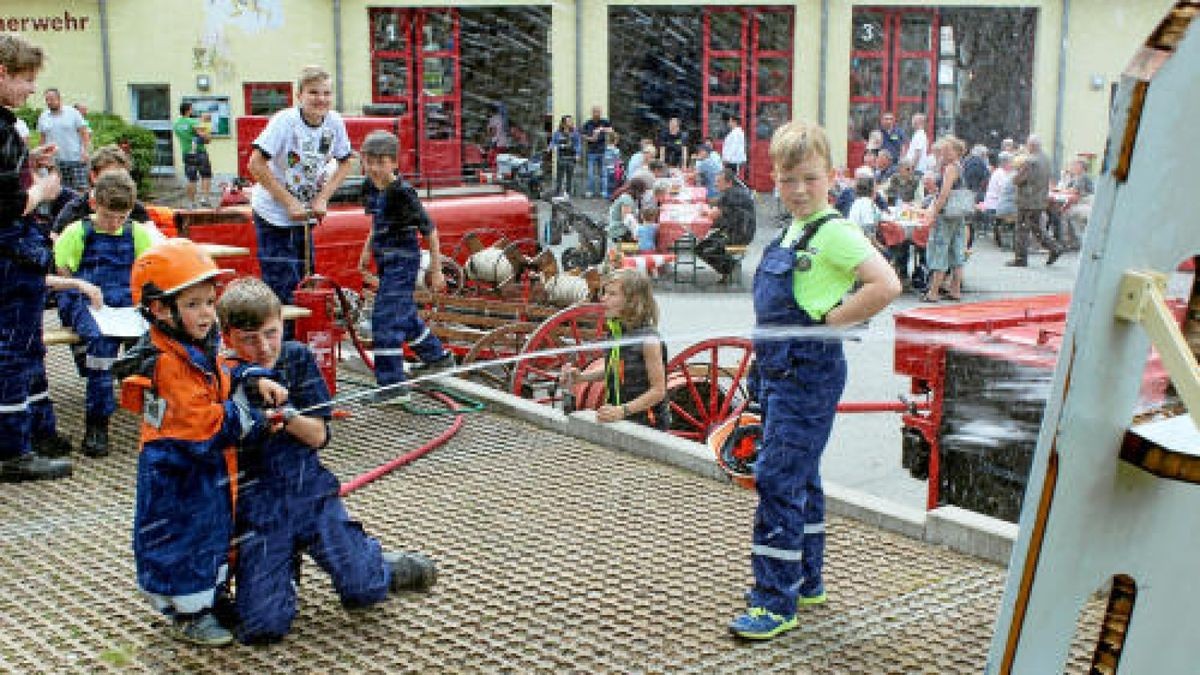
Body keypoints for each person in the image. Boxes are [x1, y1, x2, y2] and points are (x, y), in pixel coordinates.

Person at [729, 119, 900, 641]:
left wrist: (832, 322)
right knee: (802, 476)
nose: (799, 190)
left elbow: (886, 284)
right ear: (774, 181)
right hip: (783, 372)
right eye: (787, 180)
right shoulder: (793, 232)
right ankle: (805, 578)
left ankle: (775, 602)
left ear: (831, 176)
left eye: (809, 178)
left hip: (808, 375)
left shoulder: (835, 232)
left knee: (777, 480)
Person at [216, 277, 436, 643]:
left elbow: (318, 435)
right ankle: (279, 568)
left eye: (271, 333)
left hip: (310, 494)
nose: (264, 347)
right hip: (258, 508)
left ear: (282, 323)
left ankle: (377, 564)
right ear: (227, 336)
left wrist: (285, 416)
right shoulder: (221, 375)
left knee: (364, 593)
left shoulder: (297, 358)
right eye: (249, 339)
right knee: (262, 628)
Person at [122, 239, 284, 646]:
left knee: (210, 533)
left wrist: (250, 379)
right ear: (160, 309)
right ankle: (189, 613)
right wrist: (251, 418)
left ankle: (205, 600)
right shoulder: (167, 363)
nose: (207, 314)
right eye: (193, 304)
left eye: (209, 302)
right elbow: (203, 424)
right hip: (179, 473)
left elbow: (221, 378)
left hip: (201, 470)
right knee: (183, 540)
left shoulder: (191, 348)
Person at [0, 34, 73, 483]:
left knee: (20, 347)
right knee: (15, 350)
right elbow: (5, 203)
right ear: (2, 73)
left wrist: (26, 159)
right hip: (11, 252)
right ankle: (14, 449)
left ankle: (32, 432)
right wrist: (39, 191)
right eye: (25, 80)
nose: (31, 90)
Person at [54, 169, 156, 456]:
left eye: (121, 218)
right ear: (94, 204)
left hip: (124, 298)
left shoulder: (137, 233)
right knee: (100, 345)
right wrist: (85, 291)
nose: (114, 224)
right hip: (85, 297)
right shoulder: (77, 233)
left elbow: (145, 273)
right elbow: (64, 276)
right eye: (108, 216)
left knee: (155, 341)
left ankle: (157, 415)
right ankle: (97, 423)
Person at [356, 130, 454, 406]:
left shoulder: (403, 193)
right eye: (369, 161)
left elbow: (430, 232)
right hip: (385, 258)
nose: (374, 168)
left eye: (381, 162)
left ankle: (393, 386)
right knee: (404, 315)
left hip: (403, 259)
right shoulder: (369, 188)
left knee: (385, 319)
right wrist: (366, 250)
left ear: (395, 164)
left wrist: (436, 270)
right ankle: (438, 358)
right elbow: (376, 223)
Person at [248, 65, 353, 306]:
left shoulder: (334, 122)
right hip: (274, 213)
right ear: (300, 96)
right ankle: (283, 340)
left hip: (305, 214)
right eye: (314, 93)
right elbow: (255, 164)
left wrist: (323, 197)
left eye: (326, 93)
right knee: (282, 285)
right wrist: (289, 202)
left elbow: (346, 162)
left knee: (307, 282)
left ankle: (304, 336)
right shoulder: (285, 122)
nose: (321, 99)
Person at [560, 269, 668, 430]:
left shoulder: (649, 340)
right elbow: (615, 368)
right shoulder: (616, 332)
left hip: (647, 424)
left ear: (633, 300)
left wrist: (622, 410)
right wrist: (581, 377)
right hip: (621, 419)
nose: (603, 298)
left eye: (612, 294)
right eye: (604, 293)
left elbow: (658, 391)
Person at [52, 144, 152, 234]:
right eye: (111, 176)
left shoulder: (134, 206)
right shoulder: (74, 210)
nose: (119, 182)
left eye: (123, 176)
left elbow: (153, 238)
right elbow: (56, 242)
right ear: (94, 176)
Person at [920, 136, 970, 302]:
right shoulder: (958, 166)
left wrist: (934, 212)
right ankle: (955, 290)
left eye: (948, 150)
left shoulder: (950, 168)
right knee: (956, 252)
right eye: (944, 149)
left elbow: (944, 194)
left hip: (946, 214)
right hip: (958, 214)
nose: (944, 152)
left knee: (940, 250)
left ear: (956, 152)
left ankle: (933, 292)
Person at [1009, 134, 1063, 267]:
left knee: (1022, 230)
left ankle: (1020, 259)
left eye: (1028, 145)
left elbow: (1018, 180)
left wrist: (1014, 176)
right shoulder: (1046, 159)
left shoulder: (1030, 161)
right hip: (1040, 199)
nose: (1027, 147)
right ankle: (1055, 248)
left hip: (1027, 201)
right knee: (1037, 228)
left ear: (1031, 145)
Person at [697, 168, 756, 282]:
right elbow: (718, 208)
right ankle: (727, 269)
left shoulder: (730, 194)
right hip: (741, 231)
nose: (715, 184)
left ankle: (728, 269)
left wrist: (706, 211)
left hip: (739, 235)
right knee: (707, 243)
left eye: (718, 181)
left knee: (702, 248)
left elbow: (713, 215)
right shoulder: (736, 191)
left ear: (729, 183)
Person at [37, 87, 89, 191]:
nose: (49, 102)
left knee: (80, 189)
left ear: (59, 99)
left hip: (75, 158)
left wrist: (85, 151)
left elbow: (84, 133)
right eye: (47, 100)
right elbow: (42, 138)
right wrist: (41, 156)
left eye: (51, 99)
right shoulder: (43, 116)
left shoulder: (73, 113)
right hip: (55, 161)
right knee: (59, 190)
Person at [172, 102, 212, 208]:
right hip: (199, 152)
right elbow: (205, 137)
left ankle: (191, 202)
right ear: (188, 110)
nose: (192, 110)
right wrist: (207, 130)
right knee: (206, 175)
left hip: (187, 153)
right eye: (191, 109)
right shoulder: (192, 122)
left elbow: (186, 137)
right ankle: (204, 198)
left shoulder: (176, 124)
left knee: (191, 178)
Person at [581, 105, 613, 198]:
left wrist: (602, 129)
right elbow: (582, 135)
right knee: (590, 173)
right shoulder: (588, 123)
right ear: (592, 113)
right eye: (595, 112)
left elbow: (611, 131)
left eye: (598, 112)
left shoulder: (604, 122)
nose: (597, 114)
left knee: (603, 173)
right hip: (591, 151)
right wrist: (591, 138)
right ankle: (590, 191)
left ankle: (604, 192)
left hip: (602, 151)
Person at [550, 114, 580, 198]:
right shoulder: (557, 133)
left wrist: (577, 154)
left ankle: (568, 193)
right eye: (569, 121)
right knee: (559, 176)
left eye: (571, 121)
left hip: (571, 157)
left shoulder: (575, 133)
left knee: (569, 177)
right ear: (563, 123)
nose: (571, 122)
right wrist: (551, 148)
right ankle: (557, 192)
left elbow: (578, 144)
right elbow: (553, 142)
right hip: (561, 157)